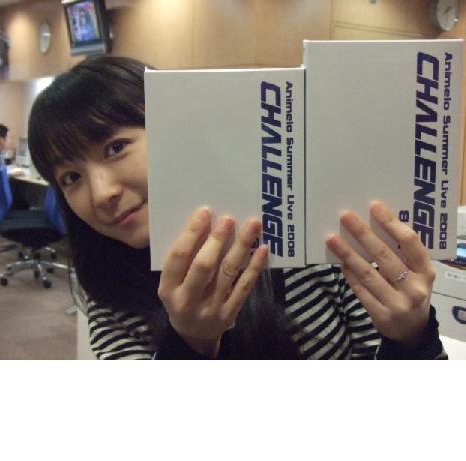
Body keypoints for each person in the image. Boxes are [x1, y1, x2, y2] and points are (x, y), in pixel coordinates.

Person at [27, 56, 445, 360]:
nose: (101, 194)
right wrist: (190, 344)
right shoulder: (109, 289)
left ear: (179, 129)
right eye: (71, 177)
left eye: (116, 147)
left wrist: (412, 335)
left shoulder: (304, 237)